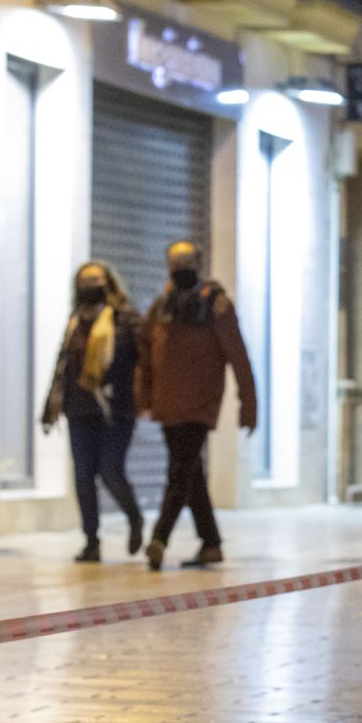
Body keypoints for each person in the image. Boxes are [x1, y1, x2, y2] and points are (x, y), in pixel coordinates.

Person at [137, 241, 257, 571]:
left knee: (179, 471)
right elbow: (145, 352)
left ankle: (159, 538)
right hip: (168, 404)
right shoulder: (162, 306)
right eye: (176, 265)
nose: (181, 270)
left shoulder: (216, 306)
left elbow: (238, 356)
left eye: (186, 264)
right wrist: (143, 397)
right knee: (190, 474)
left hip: (199, 406)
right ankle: (211, 543)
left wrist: (248, 405)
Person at [41, 262, 143, 563]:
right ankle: (91, 541)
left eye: (96, 281)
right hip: (79, 409)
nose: (90, 287)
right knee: (84, 477)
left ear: (108, 283)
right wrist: (50, 406)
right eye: (84, 282)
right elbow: (62, 365)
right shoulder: (75, 321)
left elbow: (142, 361)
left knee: (111, 471)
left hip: (115, 411)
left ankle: (134, 517)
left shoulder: (125, 318)